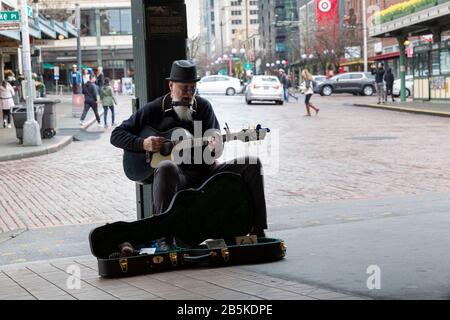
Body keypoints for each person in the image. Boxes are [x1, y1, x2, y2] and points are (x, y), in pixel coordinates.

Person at [110, 60, 267, 237]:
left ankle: (258, 230)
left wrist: (216, 148)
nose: (189, 94)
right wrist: (143, 144)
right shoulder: (154, 109)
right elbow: (116, 134)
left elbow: (215, 147)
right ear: (171, 85)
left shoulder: (204, 107)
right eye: (184, 88)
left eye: (193, 88)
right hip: (176, 177)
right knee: (166, 166)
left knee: (252, 163)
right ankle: (164, 237)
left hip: (206, 173)